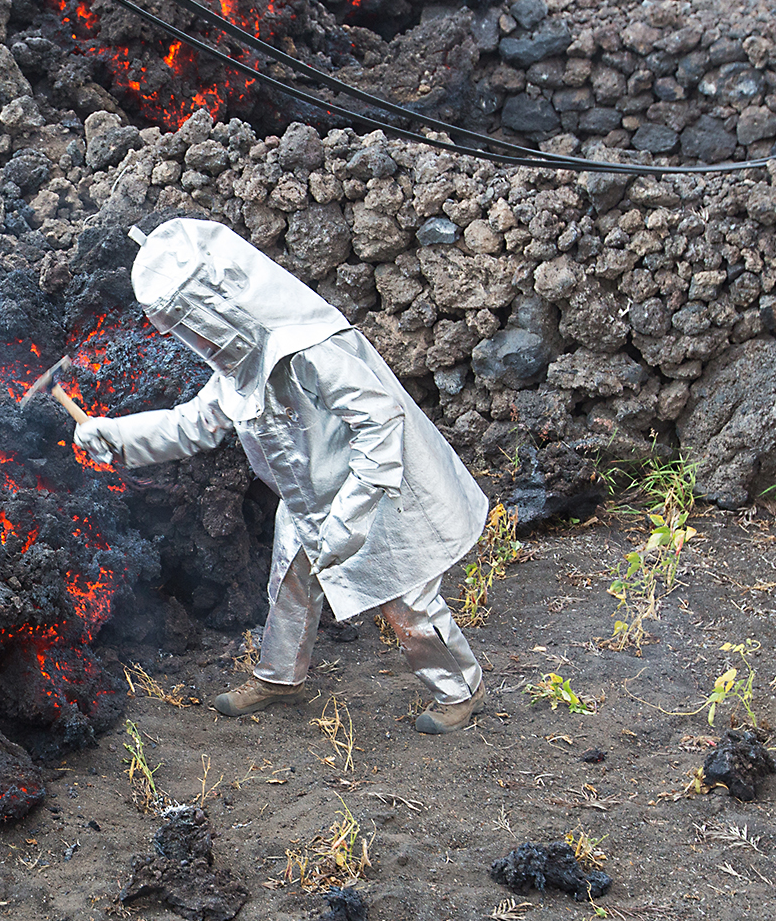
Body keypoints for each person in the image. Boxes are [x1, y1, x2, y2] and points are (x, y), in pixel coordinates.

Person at [72, 218, 490, 734]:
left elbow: (381, 424)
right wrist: (115, 435)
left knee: (407, 602)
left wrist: (350, 518)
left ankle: (460, 689)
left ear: (220, 305)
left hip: (377, 493)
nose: (193, 338)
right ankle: (280, 678)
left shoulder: (311, 348)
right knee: (290, 585)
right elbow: (195, 424)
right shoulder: (239, 367)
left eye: (193, 323)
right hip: (306, 497)